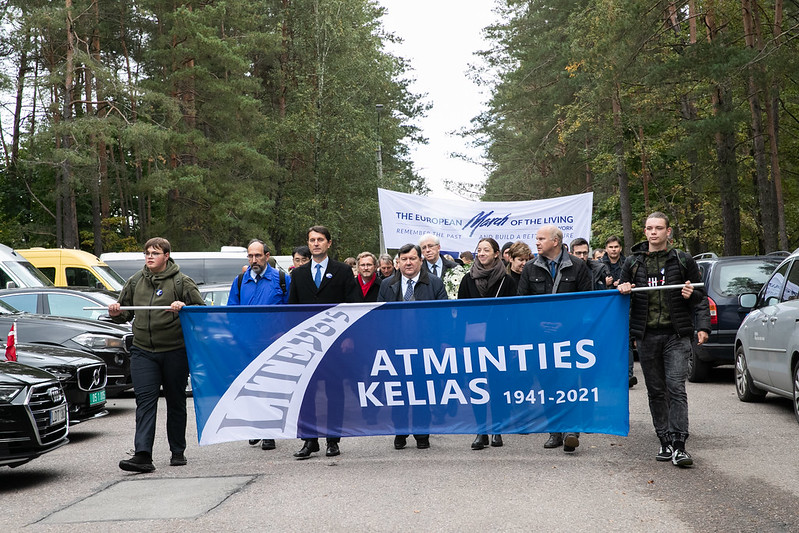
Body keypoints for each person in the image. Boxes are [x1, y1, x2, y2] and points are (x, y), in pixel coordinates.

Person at [617, 212, 710, 468]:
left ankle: (680, 445)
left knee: (676, 387)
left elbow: (700, 296)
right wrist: (622, 289)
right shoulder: (633, 263)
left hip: (676, 334)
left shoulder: (682, 260)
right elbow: (620, 300)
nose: (653, 232)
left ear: (668, 232)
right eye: (649, 228)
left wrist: (702, 326)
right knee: (656, 391)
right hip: (646, 336)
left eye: (659, 228)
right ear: (644, 232)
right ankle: (664, 439)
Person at [110, 237, 205, 473]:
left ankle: (178, 451)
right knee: (145, 401)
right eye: (147, 253)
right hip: (143, 351)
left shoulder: (183, 282)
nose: (149, 256)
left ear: (167, 256)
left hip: (174, 351)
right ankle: (142, 455)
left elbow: (202, 313)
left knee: (175, 401)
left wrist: (184, 307)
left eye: (155, 253)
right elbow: (124, 314)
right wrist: (115, 311)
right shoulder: (135, 282)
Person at [517, 225, 592, 453]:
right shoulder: (530, 268)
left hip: (570, 336)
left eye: (541, 238)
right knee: (548, 383)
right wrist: (539, 324)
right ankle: (554, 431)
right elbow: (522, 303)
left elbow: (587, 301)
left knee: (569, 382)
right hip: (541, 337)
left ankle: (571, 429)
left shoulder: (577, 266)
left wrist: (566, 324)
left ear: (556, 241)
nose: (536, 242)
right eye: (536, 238)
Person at [288, 225, 359, 459]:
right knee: (306, 394)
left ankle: (332, 439)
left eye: (320, 239)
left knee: (334, 392)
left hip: (335, 343)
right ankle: (309, 440)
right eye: (311, 240)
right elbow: (292, 309)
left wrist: (348, 336)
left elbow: (353, 306)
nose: (315, 243)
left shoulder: (342, 271)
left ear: (329, 243)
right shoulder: (298, 274)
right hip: (307, 343)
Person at [377, 243, 447, 450]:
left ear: (420, 260)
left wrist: (441, 343)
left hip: (424, 348)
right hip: (396, 348)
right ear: (398, 262)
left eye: (412, 259)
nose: (408, 263)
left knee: (422, 391)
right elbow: (380, 318)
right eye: (404, 259)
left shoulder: (434, 283)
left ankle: (422, 433)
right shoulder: (387, 285)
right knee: (398, 391)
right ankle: (399, 432)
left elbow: (443, 317)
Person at [230, 239, 290, 451]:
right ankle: (256, 427)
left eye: (257, 255)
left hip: (273, 343)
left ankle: (269, 432)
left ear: (267, 255)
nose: (253, 260)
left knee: (270, 388)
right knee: (250, 388)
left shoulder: (282, 279)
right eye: (250, 256)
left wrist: (283, 333)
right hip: (247, 344)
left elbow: (292, 310)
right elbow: (232, 313)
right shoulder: (239, 281)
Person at [457, 238, 517, 450]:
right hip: (473, 341)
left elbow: (513, 315)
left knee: (498, 384)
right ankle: (480, 430)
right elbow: (461, 314)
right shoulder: (467, 280)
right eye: (479, 250)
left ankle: (498, 429)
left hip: (499, 340)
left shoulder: (507, 281)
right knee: (477, 385)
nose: (481, 253)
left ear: (496, 253)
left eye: (486, 250)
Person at [601, 235, 636, 387]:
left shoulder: (628, 262)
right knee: (607, 341)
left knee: (626, 341)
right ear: (606, 249)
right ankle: (608, 373)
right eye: (611, 247)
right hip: (607, 308)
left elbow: (635, 281)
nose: (614, 250)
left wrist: (624, 284)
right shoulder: (599, 265)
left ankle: (628, 375)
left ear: (620, 248)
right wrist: (606, 283)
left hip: (625, 306)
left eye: (616, 247)